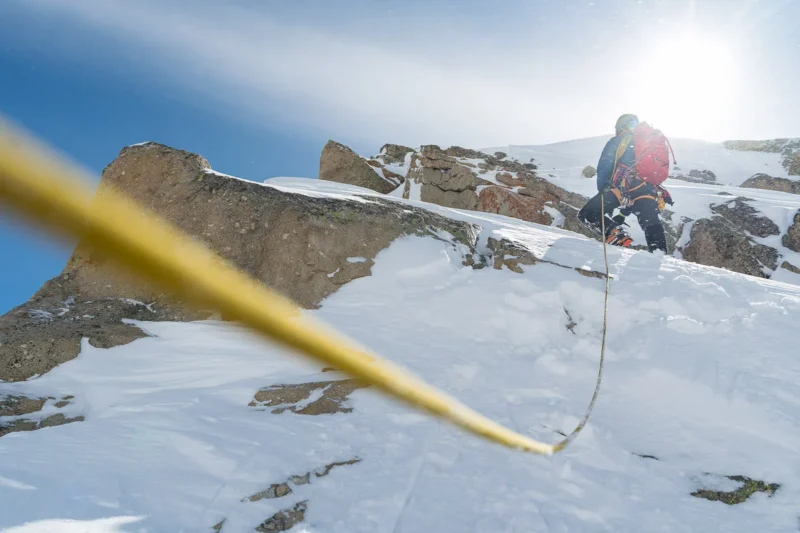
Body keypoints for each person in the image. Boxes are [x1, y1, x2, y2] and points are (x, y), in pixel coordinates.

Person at [578, 114, 671, 253]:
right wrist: (623, 214)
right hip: (647, 188)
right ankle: (660, 254)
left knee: (587, 214)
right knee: (650, 221)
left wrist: (604, 193)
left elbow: (605, 166)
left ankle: (616, 234)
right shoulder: (647, 143)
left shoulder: (619, 140)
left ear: (620, 127)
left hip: (623, 184)